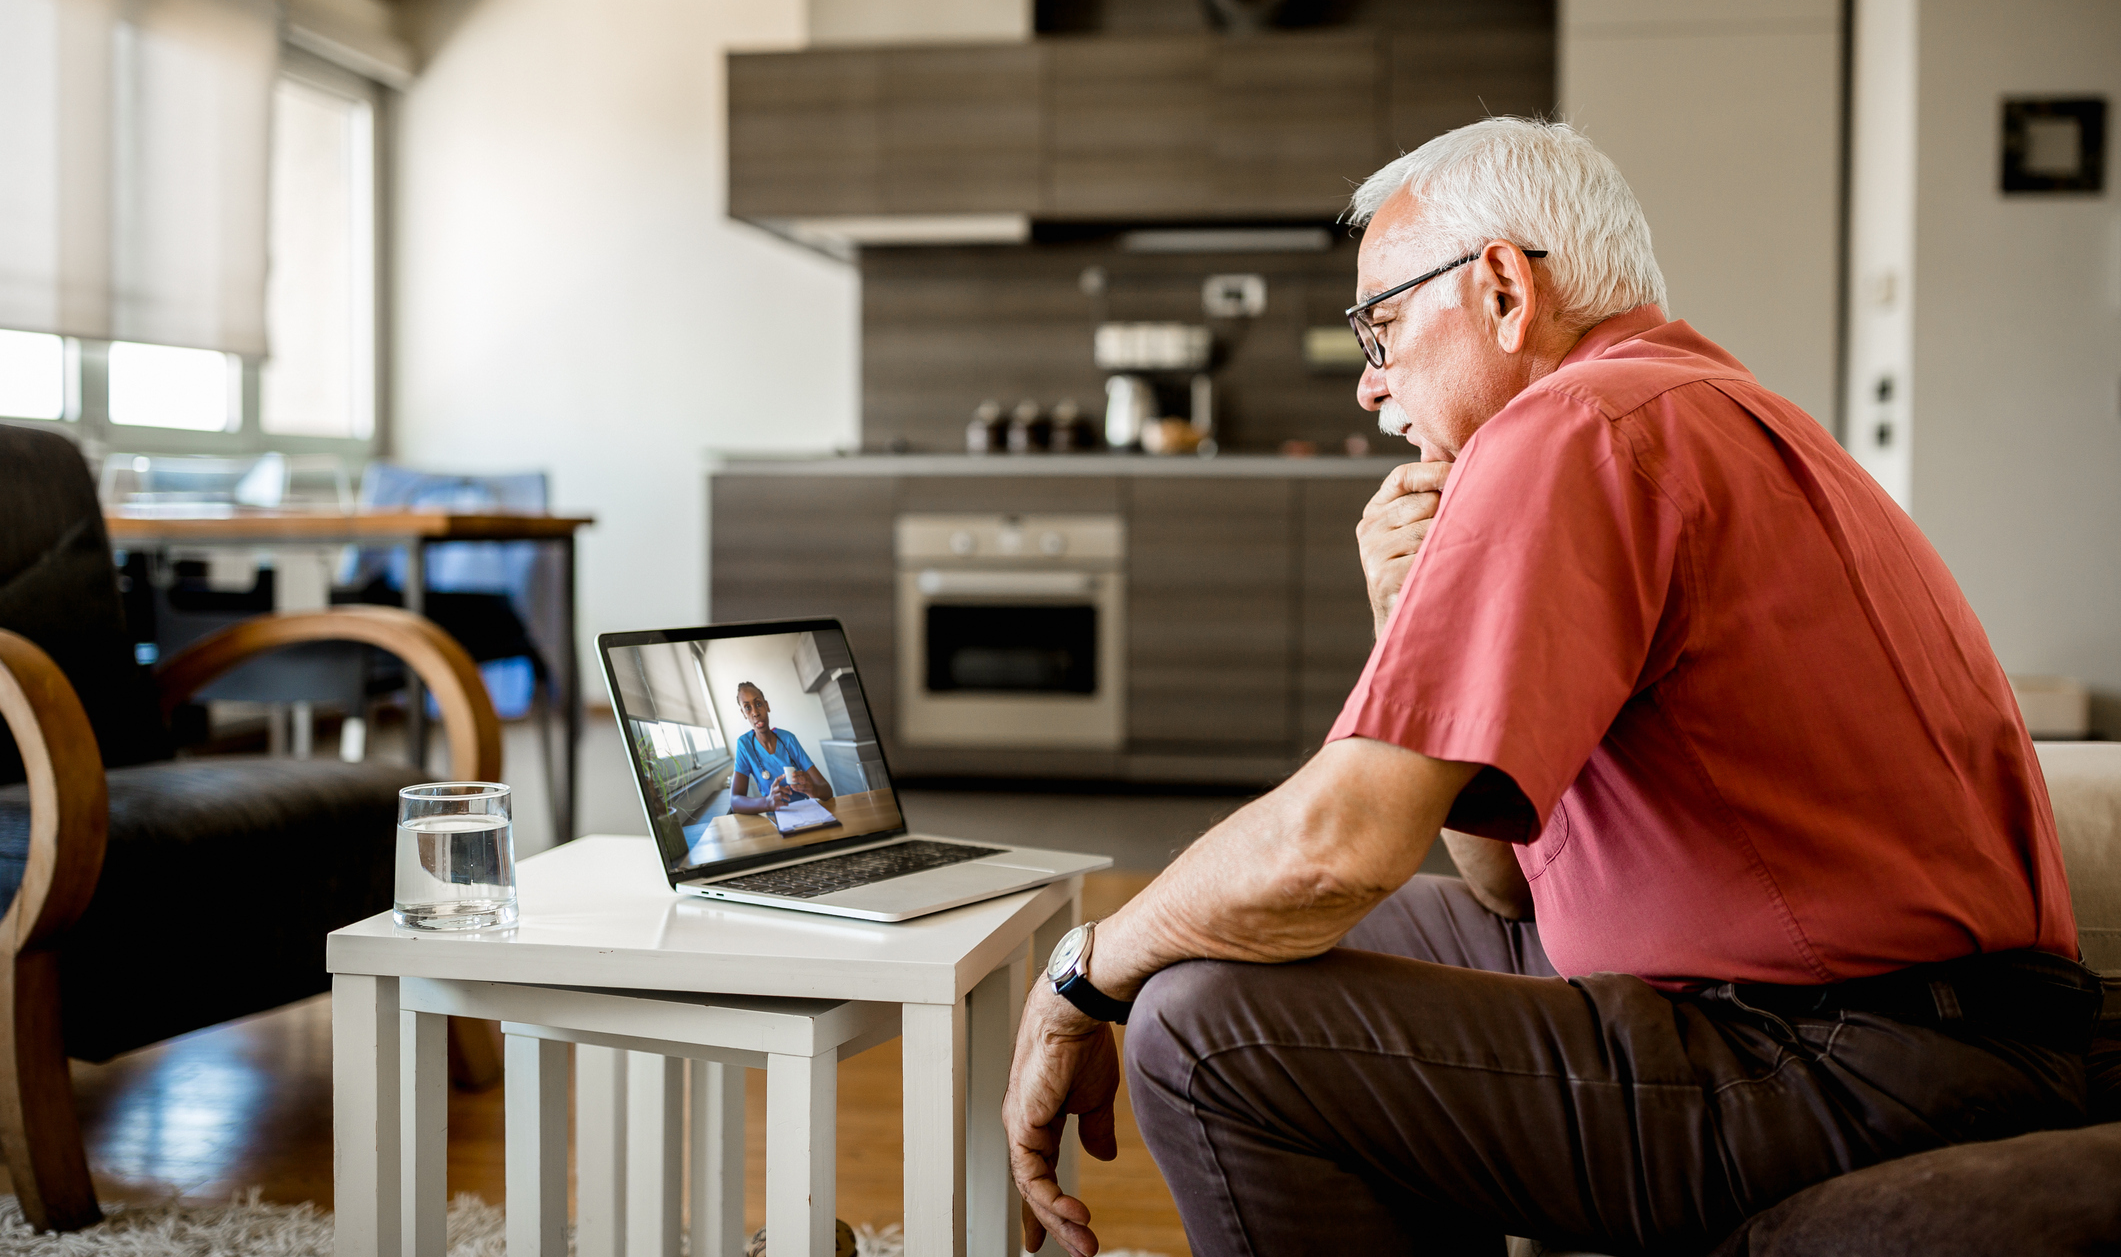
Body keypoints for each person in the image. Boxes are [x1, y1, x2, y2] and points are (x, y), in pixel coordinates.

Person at [1002, 117, 2099, 1257]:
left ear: (1503, 291)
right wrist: (1409, 626)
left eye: (1380, 325)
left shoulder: (1573, 427)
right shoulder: (1686, 403)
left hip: (1846, 1053)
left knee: (1200, 1025)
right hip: (1885, 1021)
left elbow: (1339, 846)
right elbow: (1503, 889)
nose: (1371, 389)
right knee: (1228, 943)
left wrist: (1084, 973)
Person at [725, 681, 834, 816]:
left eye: (758, 704)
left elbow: (827, 791)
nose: (755, 713)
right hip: (777, 818)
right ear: (743, 713)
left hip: (807, 812)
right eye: (748, 708)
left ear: (767, 706)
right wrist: (767, 803)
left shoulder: (788, 739)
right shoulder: (744, 745)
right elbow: (735, 802)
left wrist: (814, 789)